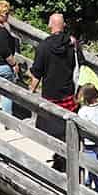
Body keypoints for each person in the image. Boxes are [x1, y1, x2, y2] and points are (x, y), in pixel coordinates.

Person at [30, 12, 81, 167]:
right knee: (68, 128)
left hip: (50, 95)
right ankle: (66, 157)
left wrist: (31, 90)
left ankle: (59, 158)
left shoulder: (44, 46)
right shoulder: (73, 45)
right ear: (64, 25)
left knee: (51, 129)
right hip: (68, 94)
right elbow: (81, 65)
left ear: (50, 25)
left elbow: (37, 72)